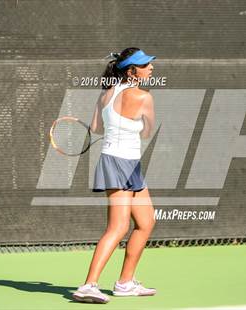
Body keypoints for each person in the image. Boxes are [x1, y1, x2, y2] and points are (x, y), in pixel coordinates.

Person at [72, 47, 157, 304]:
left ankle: (125, 283)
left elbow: (97, 128)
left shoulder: (106, 94)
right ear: (132, 71)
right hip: (120, 162)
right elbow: (146, 133)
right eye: (145, 65)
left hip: (126, 163)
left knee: (146, 222)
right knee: (118, 226)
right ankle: (88, 285)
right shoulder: (144, 97)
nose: (151, 68)